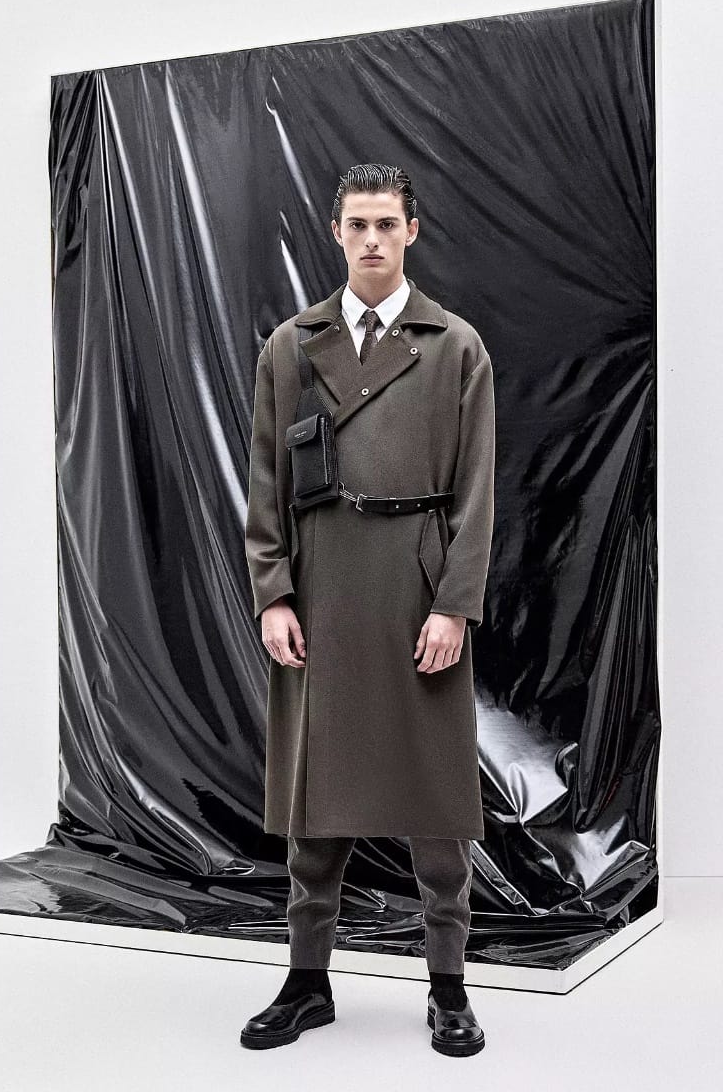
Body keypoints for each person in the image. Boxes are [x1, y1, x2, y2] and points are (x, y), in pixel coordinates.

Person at [241, 163, 495, 1056]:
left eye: (388, 224)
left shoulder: (454, 345)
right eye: (358, 224)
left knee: (436, 799)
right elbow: (267, 480)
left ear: (412, 232)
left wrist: (454, 606)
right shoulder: (292, 345)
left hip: (418, 588)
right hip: (321, 585)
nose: (373, 240)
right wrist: (273, 591)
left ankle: (449, 986)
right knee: (315, 798)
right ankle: (306, 980)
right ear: (337, 232)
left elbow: (476, 490)